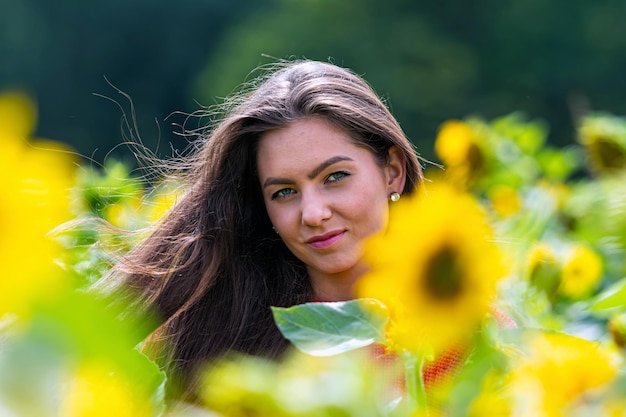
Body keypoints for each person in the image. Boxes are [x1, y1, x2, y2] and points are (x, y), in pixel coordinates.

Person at [96, 59, 424, 401]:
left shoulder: (468, 335)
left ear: (393, 171)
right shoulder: (216, 342)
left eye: (335, 177)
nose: (313, 213)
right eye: (284, 192)